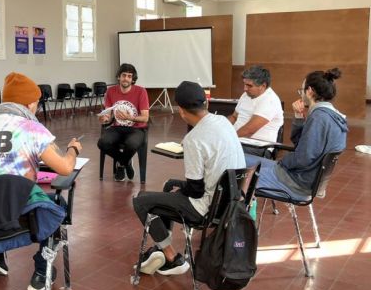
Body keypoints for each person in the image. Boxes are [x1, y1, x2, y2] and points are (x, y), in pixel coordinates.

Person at [0, 72, 82, 290]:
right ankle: (41, 270)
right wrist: (73, 149)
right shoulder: (32, 129)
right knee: (58, 206)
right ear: (30, 103)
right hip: (20, 217)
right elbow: (65, 168)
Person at [133, 81, 245, 276]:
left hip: (206, 209)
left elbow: (195, 190)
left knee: (141, 201)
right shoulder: (224, 122)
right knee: (170, 187)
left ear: (181, 111)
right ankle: (161, 246)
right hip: (232, 203)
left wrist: (181, 188)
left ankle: (172, 257)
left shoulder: (194, 140)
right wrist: (178, 186)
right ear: (206, 104)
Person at [247, 68, 347, 200]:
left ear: (310, 91)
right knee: (244, 160)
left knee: (235, 176)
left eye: (302, 90)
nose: (301, 95)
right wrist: (299, 117)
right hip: (304, 178)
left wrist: (283, 162)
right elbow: (301, 145)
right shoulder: (333, 116)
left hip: (295, 182)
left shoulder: (319, 118)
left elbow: (303, 158)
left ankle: (235, 218)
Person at [97, 63, 149, 181]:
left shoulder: (141, 91)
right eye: (124, 75)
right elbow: (109, 116)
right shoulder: (111, 91)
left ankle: (120, 165)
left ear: (133, 79)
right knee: (102, 143)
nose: (126, 78)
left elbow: (145, 118)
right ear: (118, 77)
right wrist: (104, 119)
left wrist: (129, 118)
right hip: (117, 127)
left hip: (136, 129)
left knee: (131, 145)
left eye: (129, 76)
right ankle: (126, 162)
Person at [227, 65, 284, 156]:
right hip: (239, 141)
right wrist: (220, 127)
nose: (245, 88)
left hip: (256, 147)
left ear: (263, 86)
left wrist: (226, 138)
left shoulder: (270, 100)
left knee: (219, 150)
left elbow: (249, 130)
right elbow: (234, 117)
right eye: (244, 84)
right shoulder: (246, 95)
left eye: (249, 85)